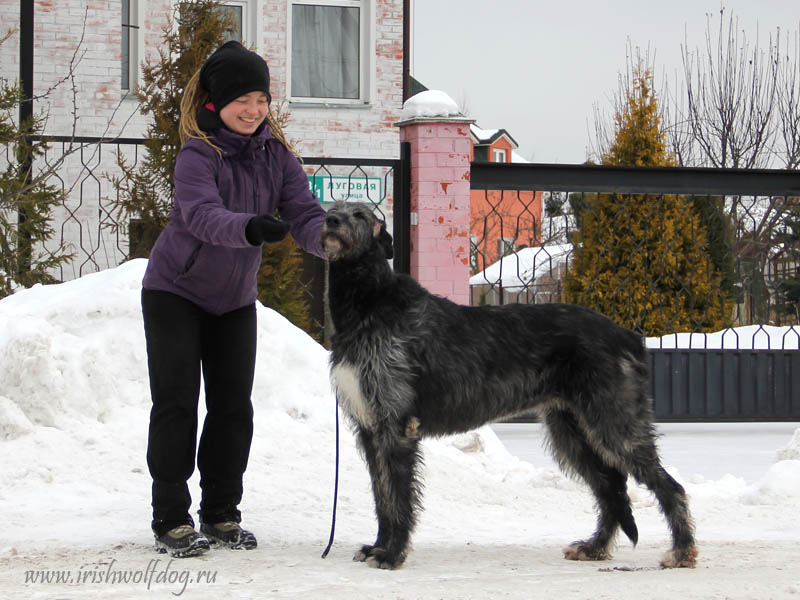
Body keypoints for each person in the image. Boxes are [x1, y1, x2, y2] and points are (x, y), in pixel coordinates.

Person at [140, 41, 327, 558]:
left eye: (262, 99)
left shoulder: (278, 157)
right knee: (177, 405)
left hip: (234, 301)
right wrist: (251, 227)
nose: (253, 109)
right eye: (242, 98)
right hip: (174, 293)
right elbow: (201, 215)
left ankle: (221, 513)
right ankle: (171, 518)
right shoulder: (198, 154)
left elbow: (305, 214)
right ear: (216, 102)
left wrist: (335, 240)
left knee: (232, 410)